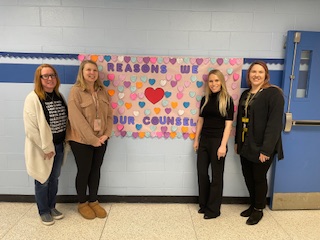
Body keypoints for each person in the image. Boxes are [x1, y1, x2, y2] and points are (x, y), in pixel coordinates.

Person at [235, 61, 284, 225]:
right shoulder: (245, 94)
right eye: (253, 72)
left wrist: (266, 150)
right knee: (248, 176)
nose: (256, 75)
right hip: (245, 144)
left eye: (260, 72)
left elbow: (274, 124)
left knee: (258, 177)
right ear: (248, 75)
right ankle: (253, 204)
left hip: (263, 146)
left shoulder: (273, 94)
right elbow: (240, 120)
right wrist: (237, 142)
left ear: (266, 75)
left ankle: (258, 209)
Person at [66, 59, 113, 220]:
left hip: (102, 139)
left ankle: (93, 200)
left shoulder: (102, 91)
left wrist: (106, 135)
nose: (92, 73)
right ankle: (82, 203)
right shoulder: (76, 91)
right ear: (82, 72)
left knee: (95, 170)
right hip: (81, 140)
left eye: (94, 70)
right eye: (88, 70)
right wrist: (92, 139)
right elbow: (76, 119)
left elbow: (109, 115)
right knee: (84, 171)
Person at [23, 64, 68, 225]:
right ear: (39, 79)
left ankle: (51, 206)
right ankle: (43, 211)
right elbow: (31, 129)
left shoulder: (59, 95)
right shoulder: (33, 98)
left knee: (54, 179)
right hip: (42, 149)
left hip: (59, 145)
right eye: (46, 76)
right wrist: (46, 148)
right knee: (42, 179)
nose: (50, 79)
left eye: (52, 75)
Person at [193, 69, 234, 219]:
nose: (214, 84)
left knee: (217, 176)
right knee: (202, 173)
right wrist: (196, 139)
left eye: (216, 80)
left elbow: (228, 125)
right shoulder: (205, 99)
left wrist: (223, 146)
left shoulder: (227, 100)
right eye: (211, 81)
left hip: (218, 141)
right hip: (204, 140)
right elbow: (201, 120)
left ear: (221, 82)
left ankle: (213, 209)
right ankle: (203, 205)